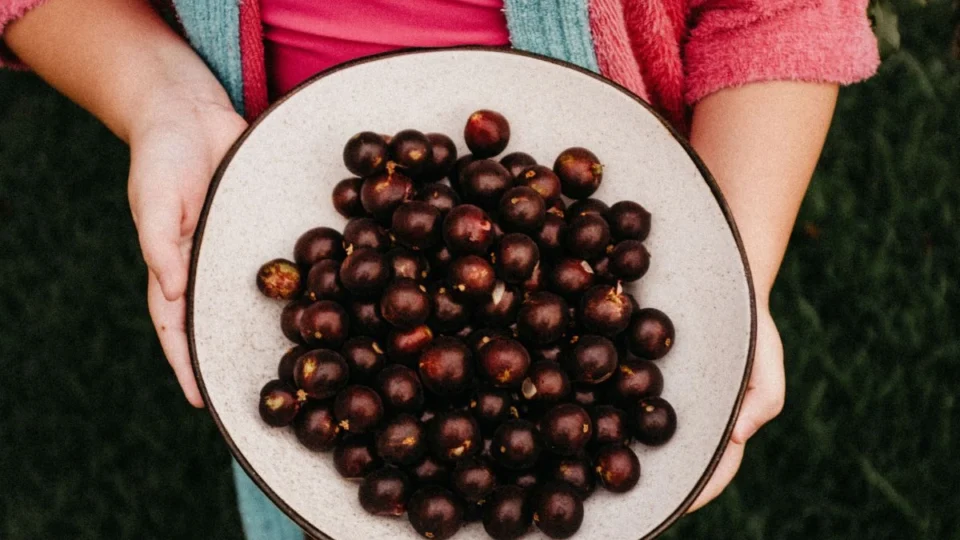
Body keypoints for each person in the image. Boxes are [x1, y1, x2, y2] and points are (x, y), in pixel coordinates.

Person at [1, 1, 879, 538]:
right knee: (324, 483)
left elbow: (779, 9)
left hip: (567, 235)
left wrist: (731, 251)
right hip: (288, 208)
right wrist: (161, 92)